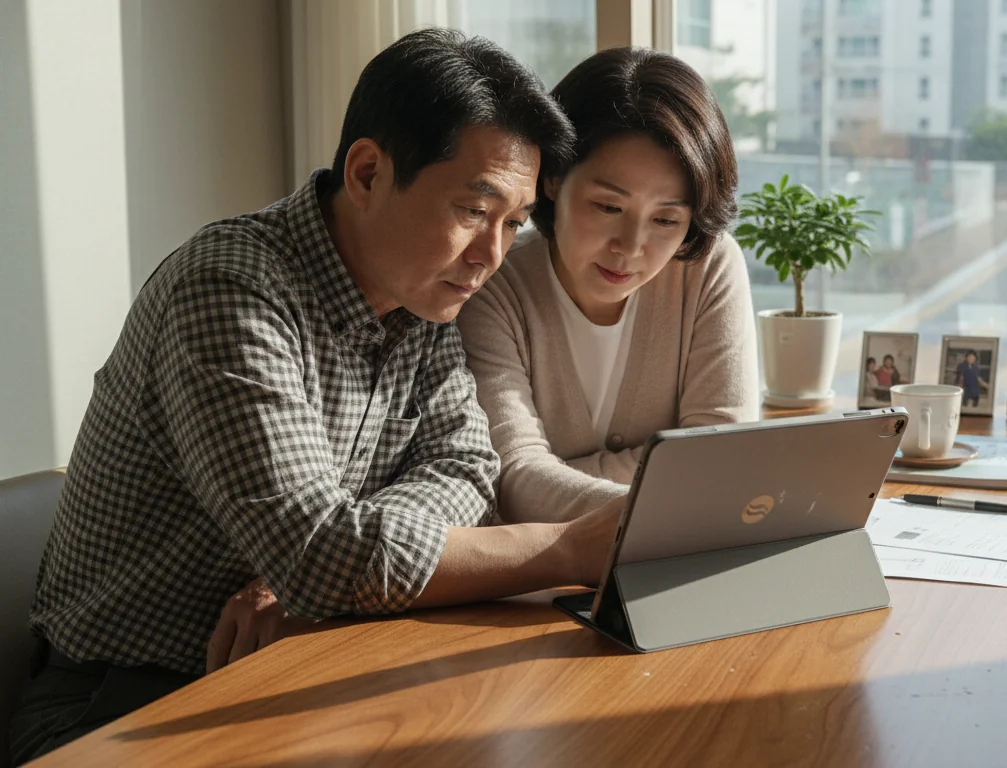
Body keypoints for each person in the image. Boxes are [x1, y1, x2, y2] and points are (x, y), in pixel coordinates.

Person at [8, 30, 620, 765]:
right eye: (472, 210)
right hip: (120, 709)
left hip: (301, 662)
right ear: (366, 172)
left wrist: (331, 577)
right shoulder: (230, 289)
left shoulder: (425, 299)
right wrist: (571, 547)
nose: (491, 256)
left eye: (513, 223)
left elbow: (465, 472)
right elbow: (321, 548)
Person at [456, 47, 758, 523]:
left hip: (667, 565)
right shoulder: (492, 280)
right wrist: (656, 493)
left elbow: (719, 459)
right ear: (553, 177)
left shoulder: (708, 268)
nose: (631, 247)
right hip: (537, 583)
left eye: (665, 219)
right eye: (609, 207)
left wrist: (559, 477)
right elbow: (511, 479)